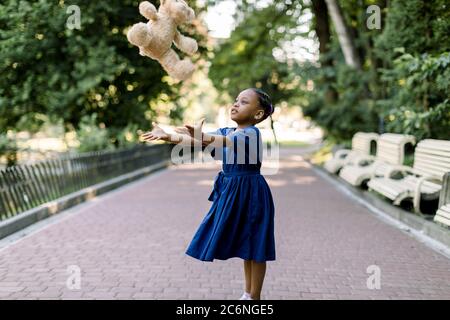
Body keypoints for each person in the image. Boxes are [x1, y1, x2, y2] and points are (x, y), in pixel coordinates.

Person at [141, 88, 276, 300]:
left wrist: (202, 136)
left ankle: (254, 297)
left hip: (252, 194)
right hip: (233, 192)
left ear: (258, 114)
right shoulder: (226, 131)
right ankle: (247, 294)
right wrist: (168, 136)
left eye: (243, 102)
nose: (235, 104)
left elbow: (224, 142)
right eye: (235, 100)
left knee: (256, 245)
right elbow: (196, 141)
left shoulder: (251, 133)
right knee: (246, 243)